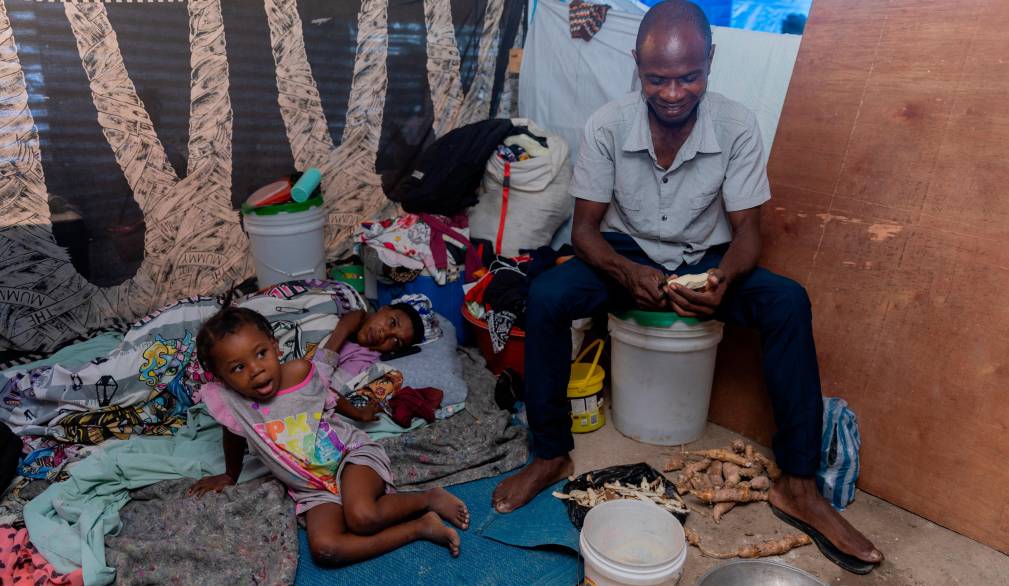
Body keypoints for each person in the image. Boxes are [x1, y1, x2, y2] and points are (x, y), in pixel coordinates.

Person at [491, 0, 884, 574]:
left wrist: (725, 278)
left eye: (688, 76)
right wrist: (627, 274)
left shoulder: (736, 125)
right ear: (637, 66)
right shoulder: (608, 125)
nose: (673, 92)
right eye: (657, 79)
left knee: (787, 301)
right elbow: (584, 231)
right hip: (628, 258)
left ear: (711, 63)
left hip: (706, 259)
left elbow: (749, 233)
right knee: (549, 296)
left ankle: (798, 485)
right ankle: (550, 454)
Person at [188, 302, 468, 565]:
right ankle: (419, 527)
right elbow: (233, 435)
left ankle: (428, 497)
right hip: (312, 488)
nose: (256, 369)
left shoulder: (299, 372)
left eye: (261, 353)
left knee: (362, 517)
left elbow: (326, 391)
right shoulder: (229, 403)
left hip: (349, 456)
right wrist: (229, 475)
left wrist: (357, 413)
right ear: (220, 377)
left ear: (275, 347)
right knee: (325, 549)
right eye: (238, 367)